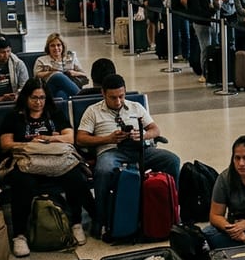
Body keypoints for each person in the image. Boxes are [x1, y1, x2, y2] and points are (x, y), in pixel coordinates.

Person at [0, 79, 90, 257]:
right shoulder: (14, 116)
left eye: (42, 98)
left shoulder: (54, 114)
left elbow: (70, 138)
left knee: (74, 176)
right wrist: (29, 143)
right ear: (26, 97)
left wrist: (48, 139)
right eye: (34, 98)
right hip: (27, 162)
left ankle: (75, 222)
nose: (38, 102)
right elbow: (5, 144)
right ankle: (20, 234)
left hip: (54, 161)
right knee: (22, 182)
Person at [76, 74, 180, 227]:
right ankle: (102, 217)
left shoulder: (135, 107)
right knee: (104, 170)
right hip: (111, 152)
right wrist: (108, 139)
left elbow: (155, 130)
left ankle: (171, 208)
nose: (118, 101)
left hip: (139, 149)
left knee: (172, 160)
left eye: (121, 96)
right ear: (103, 94)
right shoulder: (93, 111)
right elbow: (80, 139)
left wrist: (143, 135)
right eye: (113, 97)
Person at [33, 33, 88, 100]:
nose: (56, 48)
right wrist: (51, 72)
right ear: (48, 47)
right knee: (57, 75)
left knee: (61, 94)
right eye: (52, 46)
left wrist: (74, 73)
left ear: (63, 46)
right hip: (48, 88)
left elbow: (84, 74)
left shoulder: (71, 57)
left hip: (68, 87)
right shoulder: (41, 60)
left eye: (58, 45)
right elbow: (36, 75)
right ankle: (82, 98)